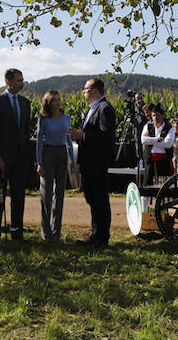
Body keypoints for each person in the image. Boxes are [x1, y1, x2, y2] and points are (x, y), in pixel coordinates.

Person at [0, 68, 32, 241]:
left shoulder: (25, 103)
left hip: (20, 158)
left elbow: (25, 130)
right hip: (2, 158)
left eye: (22, 80)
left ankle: (17, 231)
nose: (22, 83)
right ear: (8, 81)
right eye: (19, 80)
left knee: (19, 196)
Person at [69, 78, 116, 247]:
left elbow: (107, 136)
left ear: (95, 90)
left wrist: (83, 136)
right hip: (90, 162)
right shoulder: (93, 109)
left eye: (86, 89)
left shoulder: (104, 109)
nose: (83, 92)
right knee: (92, 199)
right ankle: (96, 234)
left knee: (99, 200)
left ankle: (101, 237)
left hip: (98, 162)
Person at [34, 90, 74, 241]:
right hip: (48, 154)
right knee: (46, 194)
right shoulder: (43, 120)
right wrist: (39, 162)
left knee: (60, 194)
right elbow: (39, 143)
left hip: (62, 154)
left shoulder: (67, 118)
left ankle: (56, 232)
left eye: (59, 99)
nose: (58, 102)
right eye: (54, 100)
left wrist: (72, 160)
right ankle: (46, 233)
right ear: (48, 103)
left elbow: (69, 140)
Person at [141, 103, 175, 184]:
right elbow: (143, 140)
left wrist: (151, 141)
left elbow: (168, 144)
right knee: (147, 184)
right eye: (153, 115)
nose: (155, 118)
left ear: (162, 115)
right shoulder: (147, 126)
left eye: (157, 115)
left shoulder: (170, 128)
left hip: (164, 161)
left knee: (163, 185)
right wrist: (158, 139)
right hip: (150, 161)